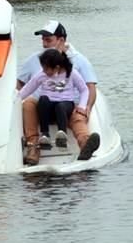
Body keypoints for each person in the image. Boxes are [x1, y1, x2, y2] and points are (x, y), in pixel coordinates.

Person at [17, 20, 100, 165]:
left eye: (48, 40)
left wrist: (86, 107)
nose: (44, 44)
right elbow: (21, 84)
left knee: (78, 115)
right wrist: (14, 99)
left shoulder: (79, 61)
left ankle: (85, 143)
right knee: (28, 104)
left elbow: (89, 87)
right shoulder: (35, 59)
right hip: (43, 105)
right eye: (43, 40)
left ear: (61, 40)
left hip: (68, 105)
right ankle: (33, 147)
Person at [18, 49, 89, 150]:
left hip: (66, 105)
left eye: (46, 69)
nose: (44, 71)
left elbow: (84, 90)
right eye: (43, 68)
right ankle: (45, 134)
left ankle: (62, 136)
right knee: (43, 99)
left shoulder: (71, 73)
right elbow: (27, 89)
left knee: (60, 106)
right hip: (49, 108)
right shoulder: (42, 75)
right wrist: (15, 101)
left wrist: (82, 106)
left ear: (57, 67)